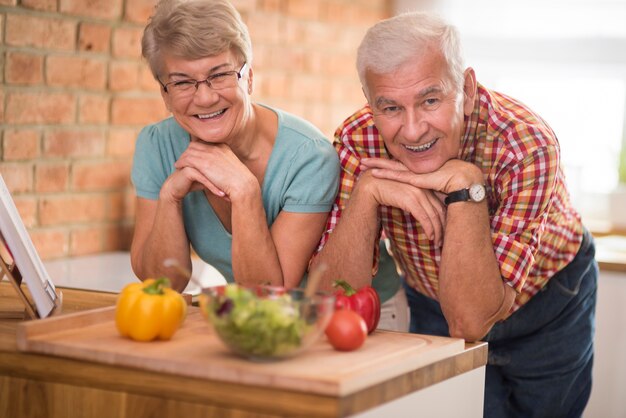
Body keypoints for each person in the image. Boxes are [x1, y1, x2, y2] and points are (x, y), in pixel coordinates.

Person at [312, 11, 598, 417]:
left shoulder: (526, 144)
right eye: (390, 107)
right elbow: (332, 297)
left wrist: (466, 184)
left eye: (430, 100)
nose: (412, 131)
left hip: (548, 300)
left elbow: (470, 320)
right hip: (432, 295)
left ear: (465, 86)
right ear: (368, 98)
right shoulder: (359, 140)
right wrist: (367, 192)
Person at [130, 0, 339, 291]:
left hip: (353, 314)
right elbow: (163, 285)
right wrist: (169, 197)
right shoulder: (157, 145)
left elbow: (270, 292)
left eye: (219, 75)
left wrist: (244, 190)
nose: (204, 98)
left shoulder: (309, 157)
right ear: (165, 95)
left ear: (248, 78)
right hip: (255, 319)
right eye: (182, 82)